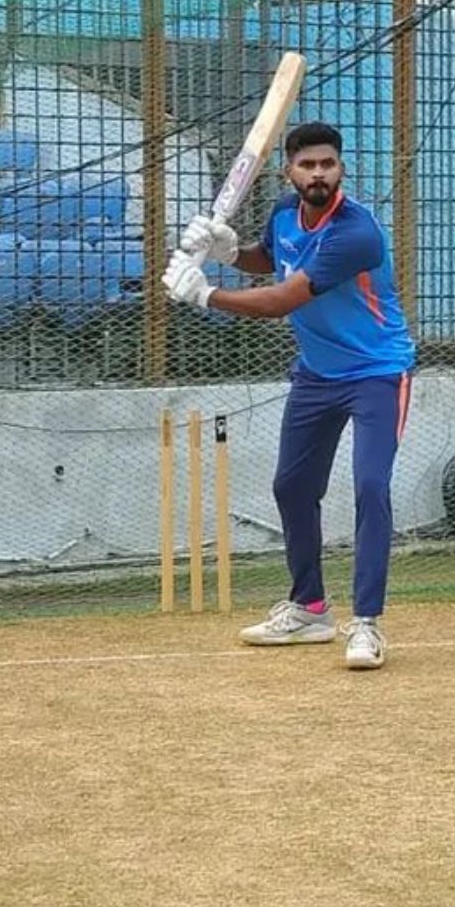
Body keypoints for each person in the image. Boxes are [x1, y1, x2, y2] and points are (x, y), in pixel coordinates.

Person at [162, 122, 416, 672]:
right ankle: (310, 607)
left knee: (371, 485)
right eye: (308, 165)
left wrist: (205, 293)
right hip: (318, 376)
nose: (319, 173)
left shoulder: (357, 232)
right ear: (290, 172)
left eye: (328, 164)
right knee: (292, 486)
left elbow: (284, 298)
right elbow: (271, 259)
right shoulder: (283, 212)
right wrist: (232, 252)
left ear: (341, 168)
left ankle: (367, 624)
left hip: (378, 372)